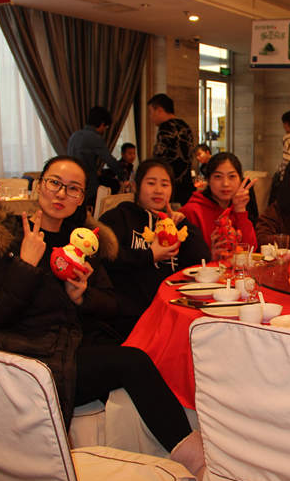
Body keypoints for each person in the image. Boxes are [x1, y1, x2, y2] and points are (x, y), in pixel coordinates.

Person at [0, 155, 202, 468]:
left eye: (73, 188)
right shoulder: (3, 238)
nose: (61, 194)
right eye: (54, 183)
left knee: (153, 349)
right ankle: (193, 458)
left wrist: (82, 297)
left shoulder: (84, 240)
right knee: (133, 362)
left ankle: (162, 458)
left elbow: (111, 302)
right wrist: (26, 265)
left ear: (81, 198)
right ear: (39, 186)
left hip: (77, 343)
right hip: (35, 358)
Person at [101, 159, 209, 324]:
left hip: (173, 311)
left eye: (165, 185)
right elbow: (108, 259)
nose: (158, 190)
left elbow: (202, 259)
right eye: (151, 183)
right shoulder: (118, 217)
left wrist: (184, 223)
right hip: (130, 317)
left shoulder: (173, 224)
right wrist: (150, 255)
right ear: (136, 186)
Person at [180, 152, 257, 250]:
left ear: (240, 179)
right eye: (218, 176)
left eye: (232, 176)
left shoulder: (237, 207)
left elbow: (250, 250)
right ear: (208, 180)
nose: (225, 183)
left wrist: (240, 210)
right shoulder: (191, 212)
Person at [148, 93, 196, 204]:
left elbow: (160, 156)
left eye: (151, 112)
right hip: (186, 183)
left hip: (171, 183)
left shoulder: (166, 127)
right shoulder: (185, 126)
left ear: (159, 110)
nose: (150, 117)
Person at [66, 106, 118, 205]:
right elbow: (110, 161)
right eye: (105, 127)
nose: (104, 131)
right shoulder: (95, 138)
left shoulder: (74, 136)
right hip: (88, 184)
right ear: (102, 124)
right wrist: (123, 176)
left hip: (72, 181)